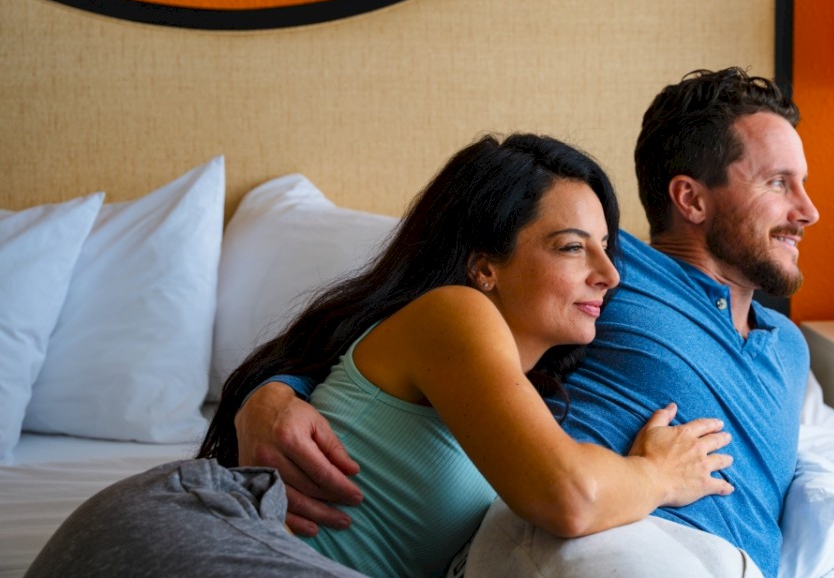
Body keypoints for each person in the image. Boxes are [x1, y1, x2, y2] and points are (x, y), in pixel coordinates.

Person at [235, 71, 834, 578]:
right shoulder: (608, 275)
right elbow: (405, 316)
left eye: (804, 183)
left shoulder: (785, 348)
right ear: (690, 197)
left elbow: (747, 463)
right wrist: (272, 391)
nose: (810, 210)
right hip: (601, 538)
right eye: (779, 183)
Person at [26, 133, 736, 578]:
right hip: (190, 541)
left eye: (608, 248)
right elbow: (571, 498)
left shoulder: (510, 394)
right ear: (483, 265)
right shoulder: (456, 314)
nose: (609, 275)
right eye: (573, 246)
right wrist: (659, 473)